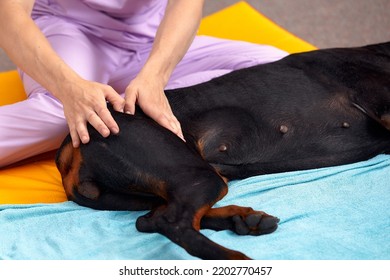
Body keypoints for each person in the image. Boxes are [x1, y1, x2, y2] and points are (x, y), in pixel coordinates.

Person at [0, 0, 288, 168]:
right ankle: (117, 107)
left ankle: (124, 106)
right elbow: (9, 16)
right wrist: (69, 88)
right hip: (69, 29)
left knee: (277, 70)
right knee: (67, 115)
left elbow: (186, 4)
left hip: (150, 38)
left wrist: (154, 78)